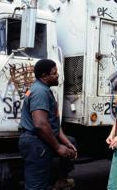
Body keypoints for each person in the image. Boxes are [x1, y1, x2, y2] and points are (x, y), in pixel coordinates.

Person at [19, 59, 77, 190]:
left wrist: (66, 143)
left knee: (72, 143)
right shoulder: (40, 92)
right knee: (37, 186)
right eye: (54, 73)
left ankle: (61, 181)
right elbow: (40, 124)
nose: (58, 75)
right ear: (44, 76)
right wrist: (58, 147)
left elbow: (53, 122)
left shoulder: (39, 89)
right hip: (35, 142)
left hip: (40, 139)